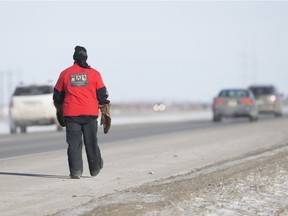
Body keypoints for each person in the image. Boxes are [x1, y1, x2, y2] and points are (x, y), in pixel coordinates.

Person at [53, 45, 110, 179]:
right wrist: (105, 108)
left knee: (74, 144)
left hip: (71, 114)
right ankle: (95, 168)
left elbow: (57, 95)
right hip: (90, 114)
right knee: (91, 142)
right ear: (86, 58)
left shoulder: (65, 74)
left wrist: (60, 108)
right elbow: (102, 95)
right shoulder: (95, 74)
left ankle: (76, 172)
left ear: (74, 58)